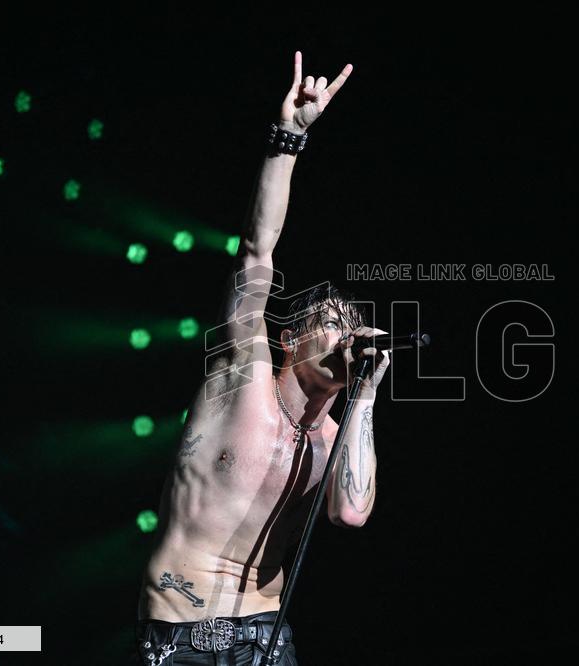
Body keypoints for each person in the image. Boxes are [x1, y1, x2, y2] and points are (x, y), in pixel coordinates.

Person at [134, 51, 391, 666]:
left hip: (265, 638)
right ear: (289, 340)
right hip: (180, 636)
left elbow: (351, 514)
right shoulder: (241, 374)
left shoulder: (332, 435)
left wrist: (366, 393)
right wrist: (289, 138)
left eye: (351, 328)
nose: (345, 337)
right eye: (331, 325)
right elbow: (256, 250)